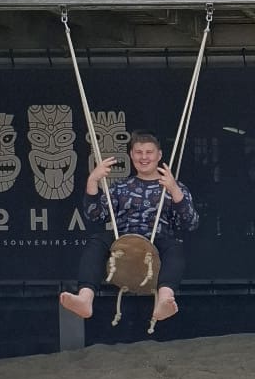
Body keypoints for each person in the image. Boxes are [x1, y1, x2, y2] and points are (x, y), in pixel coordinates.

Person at [60, 128, 199, 326]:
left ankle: (165, 299)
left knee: (174, 246)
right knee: (97, 241)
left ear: (159, 155)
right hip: (123, 240)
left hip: (158, 241)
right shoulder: (120, 187)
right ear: (131, 155)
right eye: (138, 152)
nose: (144, 157)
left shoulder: (175, 187)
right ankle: (85, 298)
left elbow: (190, 223)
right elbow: (95, 216)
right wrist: (93, 180)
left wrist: (174, 190)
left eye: (149, 152)